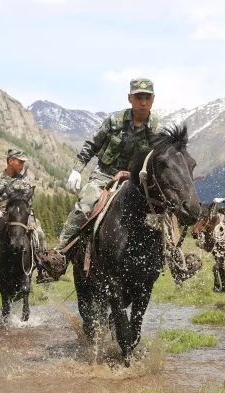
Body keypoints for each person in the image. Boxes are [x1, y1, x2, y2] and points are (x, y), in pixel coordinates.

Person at [43, 77, 198, 282]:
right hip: (104, 175)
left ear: (153, 100)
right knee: (85, 206)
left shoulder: (156, 128)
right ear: (130, 98)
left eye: (147, 97)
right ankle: (60, 255)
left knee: (165, 209)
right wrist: (77, 170)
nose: (143, 101)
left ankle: (176, 260)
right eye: (138, 97)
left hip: (135, 180)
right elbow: (93, 144)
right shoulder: (113, 121)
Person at [0, 148, 48, 280]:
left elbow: (30, 201)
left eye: (24, 162)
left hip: (21, 217)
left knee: (40, 235)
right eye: (20, 162)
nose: (22, 165)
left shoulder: (25, 181)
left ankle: (42, 268)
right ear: (10, 161)